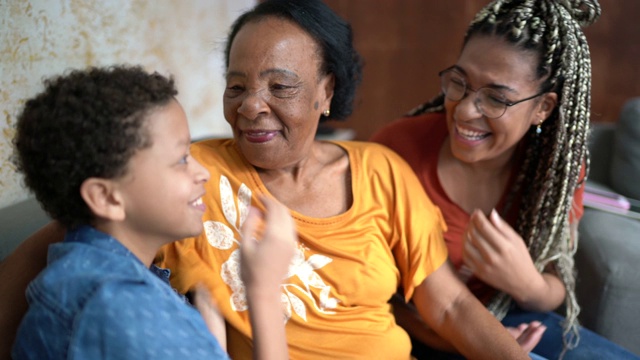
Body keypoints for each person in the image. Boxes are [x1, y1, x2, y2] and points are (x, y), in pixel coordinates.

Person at [0, 1, 531, 359]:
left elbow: (452, 305)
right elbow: (75, 240)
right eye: (236, 85)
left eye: (281, 86)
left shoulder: (380, 172)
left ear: (326, 92)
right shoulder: (182, 179)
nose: (252, 106)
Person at [371, 0, 640, 359]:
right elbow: (366, 292)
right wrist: (481, 342)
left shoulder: (555, 171)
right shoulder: (396, 151)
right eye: (460, 83)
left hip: (514, 318)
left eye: (496, 98)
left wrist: (523, 281)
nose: (465, 110)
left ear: (542, 107)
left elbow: (554, 286)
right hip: (411, 329)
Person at [9, 65, 295, 359]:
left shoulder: (81, 265)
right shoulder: (120, 308)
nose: (203, 173)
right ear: (106, 197)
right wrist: (264, 290)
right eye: (182, 159)